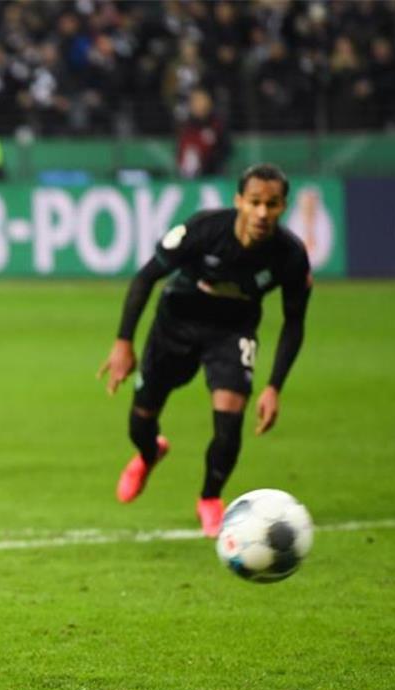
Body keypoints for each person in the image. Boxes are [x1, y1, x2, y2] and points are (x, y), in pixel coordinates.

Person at [97, 164, 311, 538]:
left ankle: (210, 498)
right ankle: (149, 454)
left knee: (230, 421)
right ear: (239, 201)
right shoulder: (204, 229)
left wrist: (274, 386)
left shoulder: (289, 255)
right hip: (175, 323)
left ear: (283, 206)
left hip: (232, 331)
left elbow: (294, 322)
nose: (263, 213)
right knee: (140, 420)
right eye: (255, 202)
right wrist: (123, 343)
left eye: (272, 204)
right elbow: (146, 277)